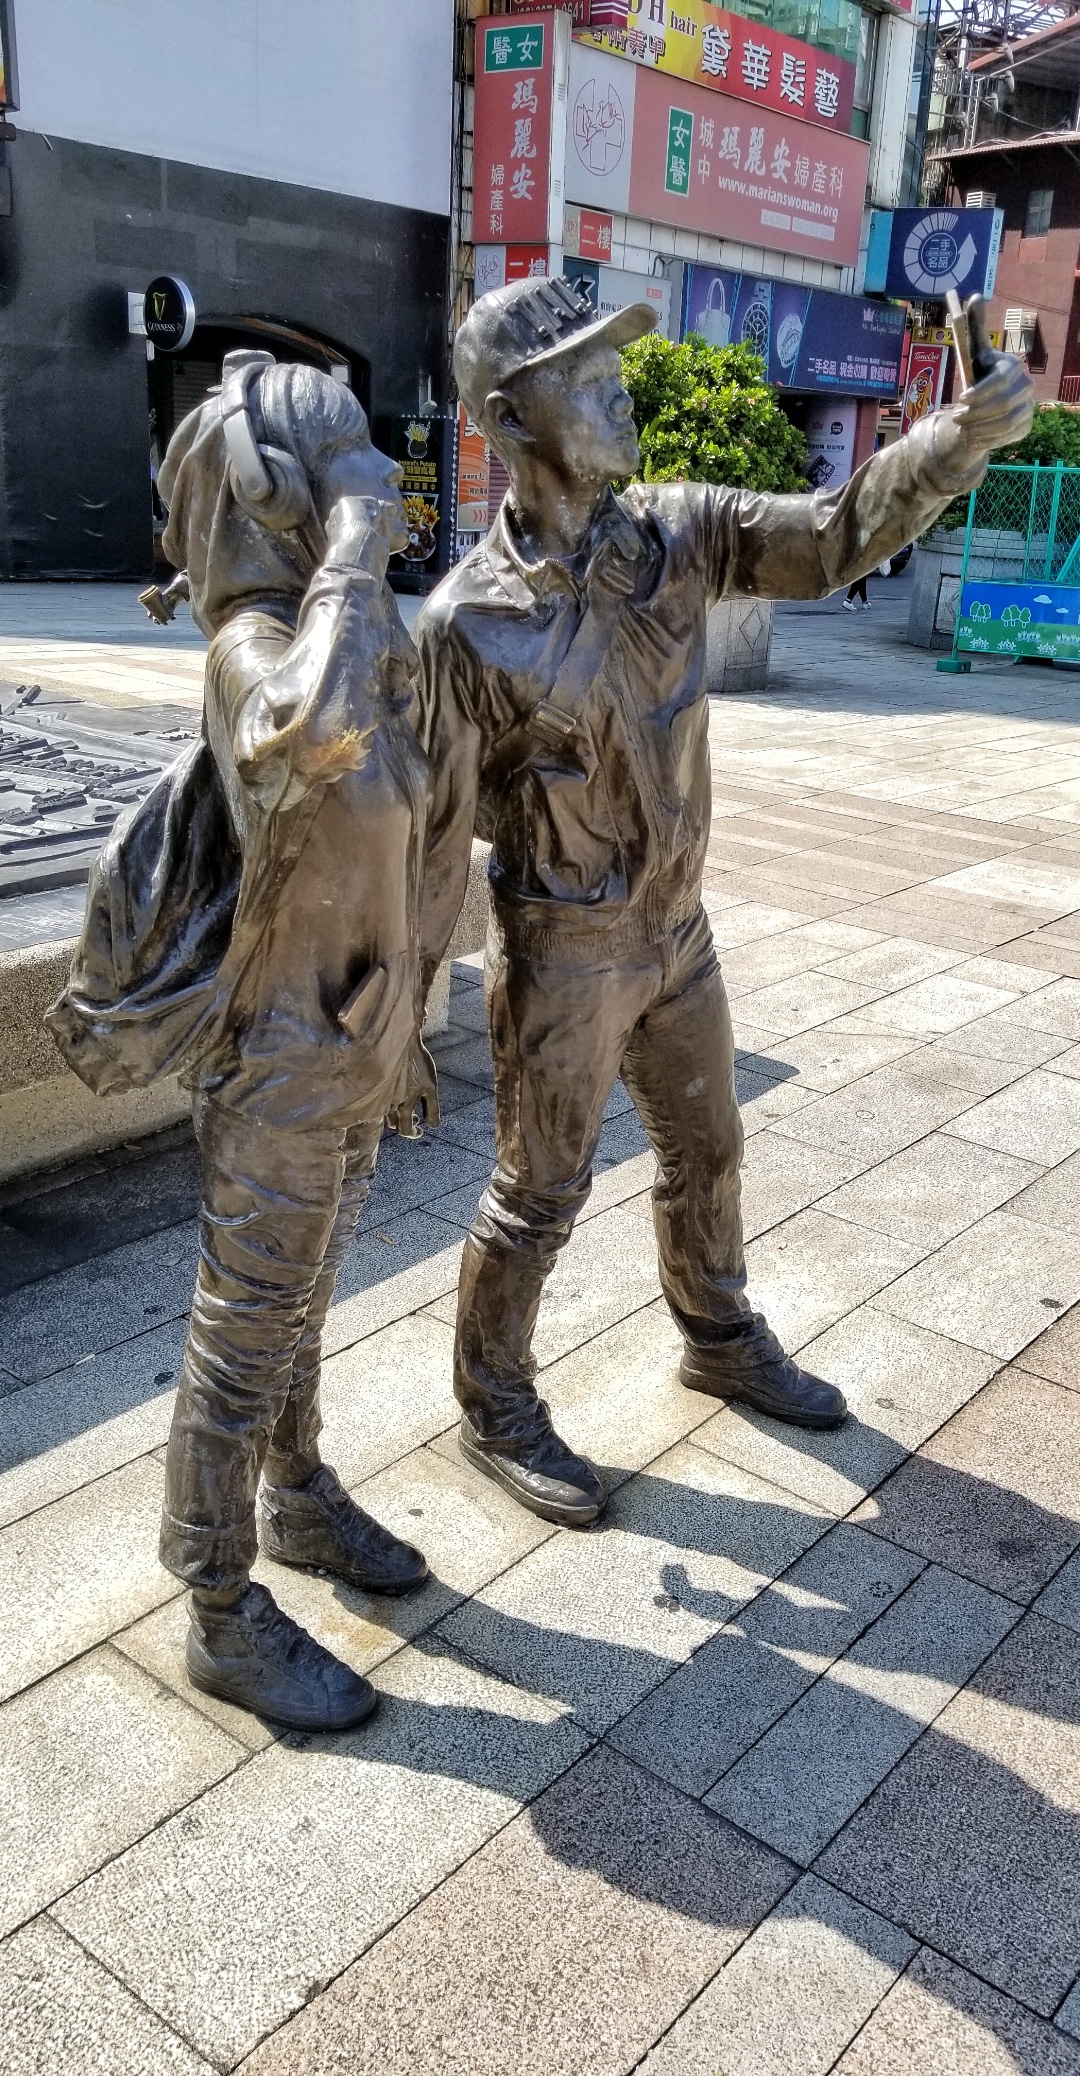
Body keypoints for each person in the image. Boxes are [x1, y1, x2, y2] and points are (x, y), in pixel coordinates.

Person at [414, 276, 1034, 1529]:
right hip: (565, 948)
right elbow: (429, 839)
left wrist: (952, 440)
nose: (618, 394)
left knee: (708, 1146)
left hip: (676, 930)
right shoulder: (466, 628)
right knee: (539, 1193)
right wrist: (402, 1015)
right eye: (585, 379)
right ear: (509, 418)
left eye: (615, 369)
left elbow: (831, 532)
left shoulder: (678, 534)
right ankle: (494, 1402)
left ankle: (718, 1332)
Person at [49, 352, 438, 1729]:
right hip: (276, 1067)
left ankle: (300, 1492)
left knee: (303, 1309)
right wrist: (355, 546)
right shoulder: (252, 654)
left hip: (350, 1040)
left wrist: (405, 1025)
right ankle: (217, 1605)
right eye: (348, 464)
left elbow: (401, 844)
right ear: (279, 499)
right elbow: (305, 737)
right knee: (242, 1338)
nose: (378, 480)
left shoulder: (354, 634)